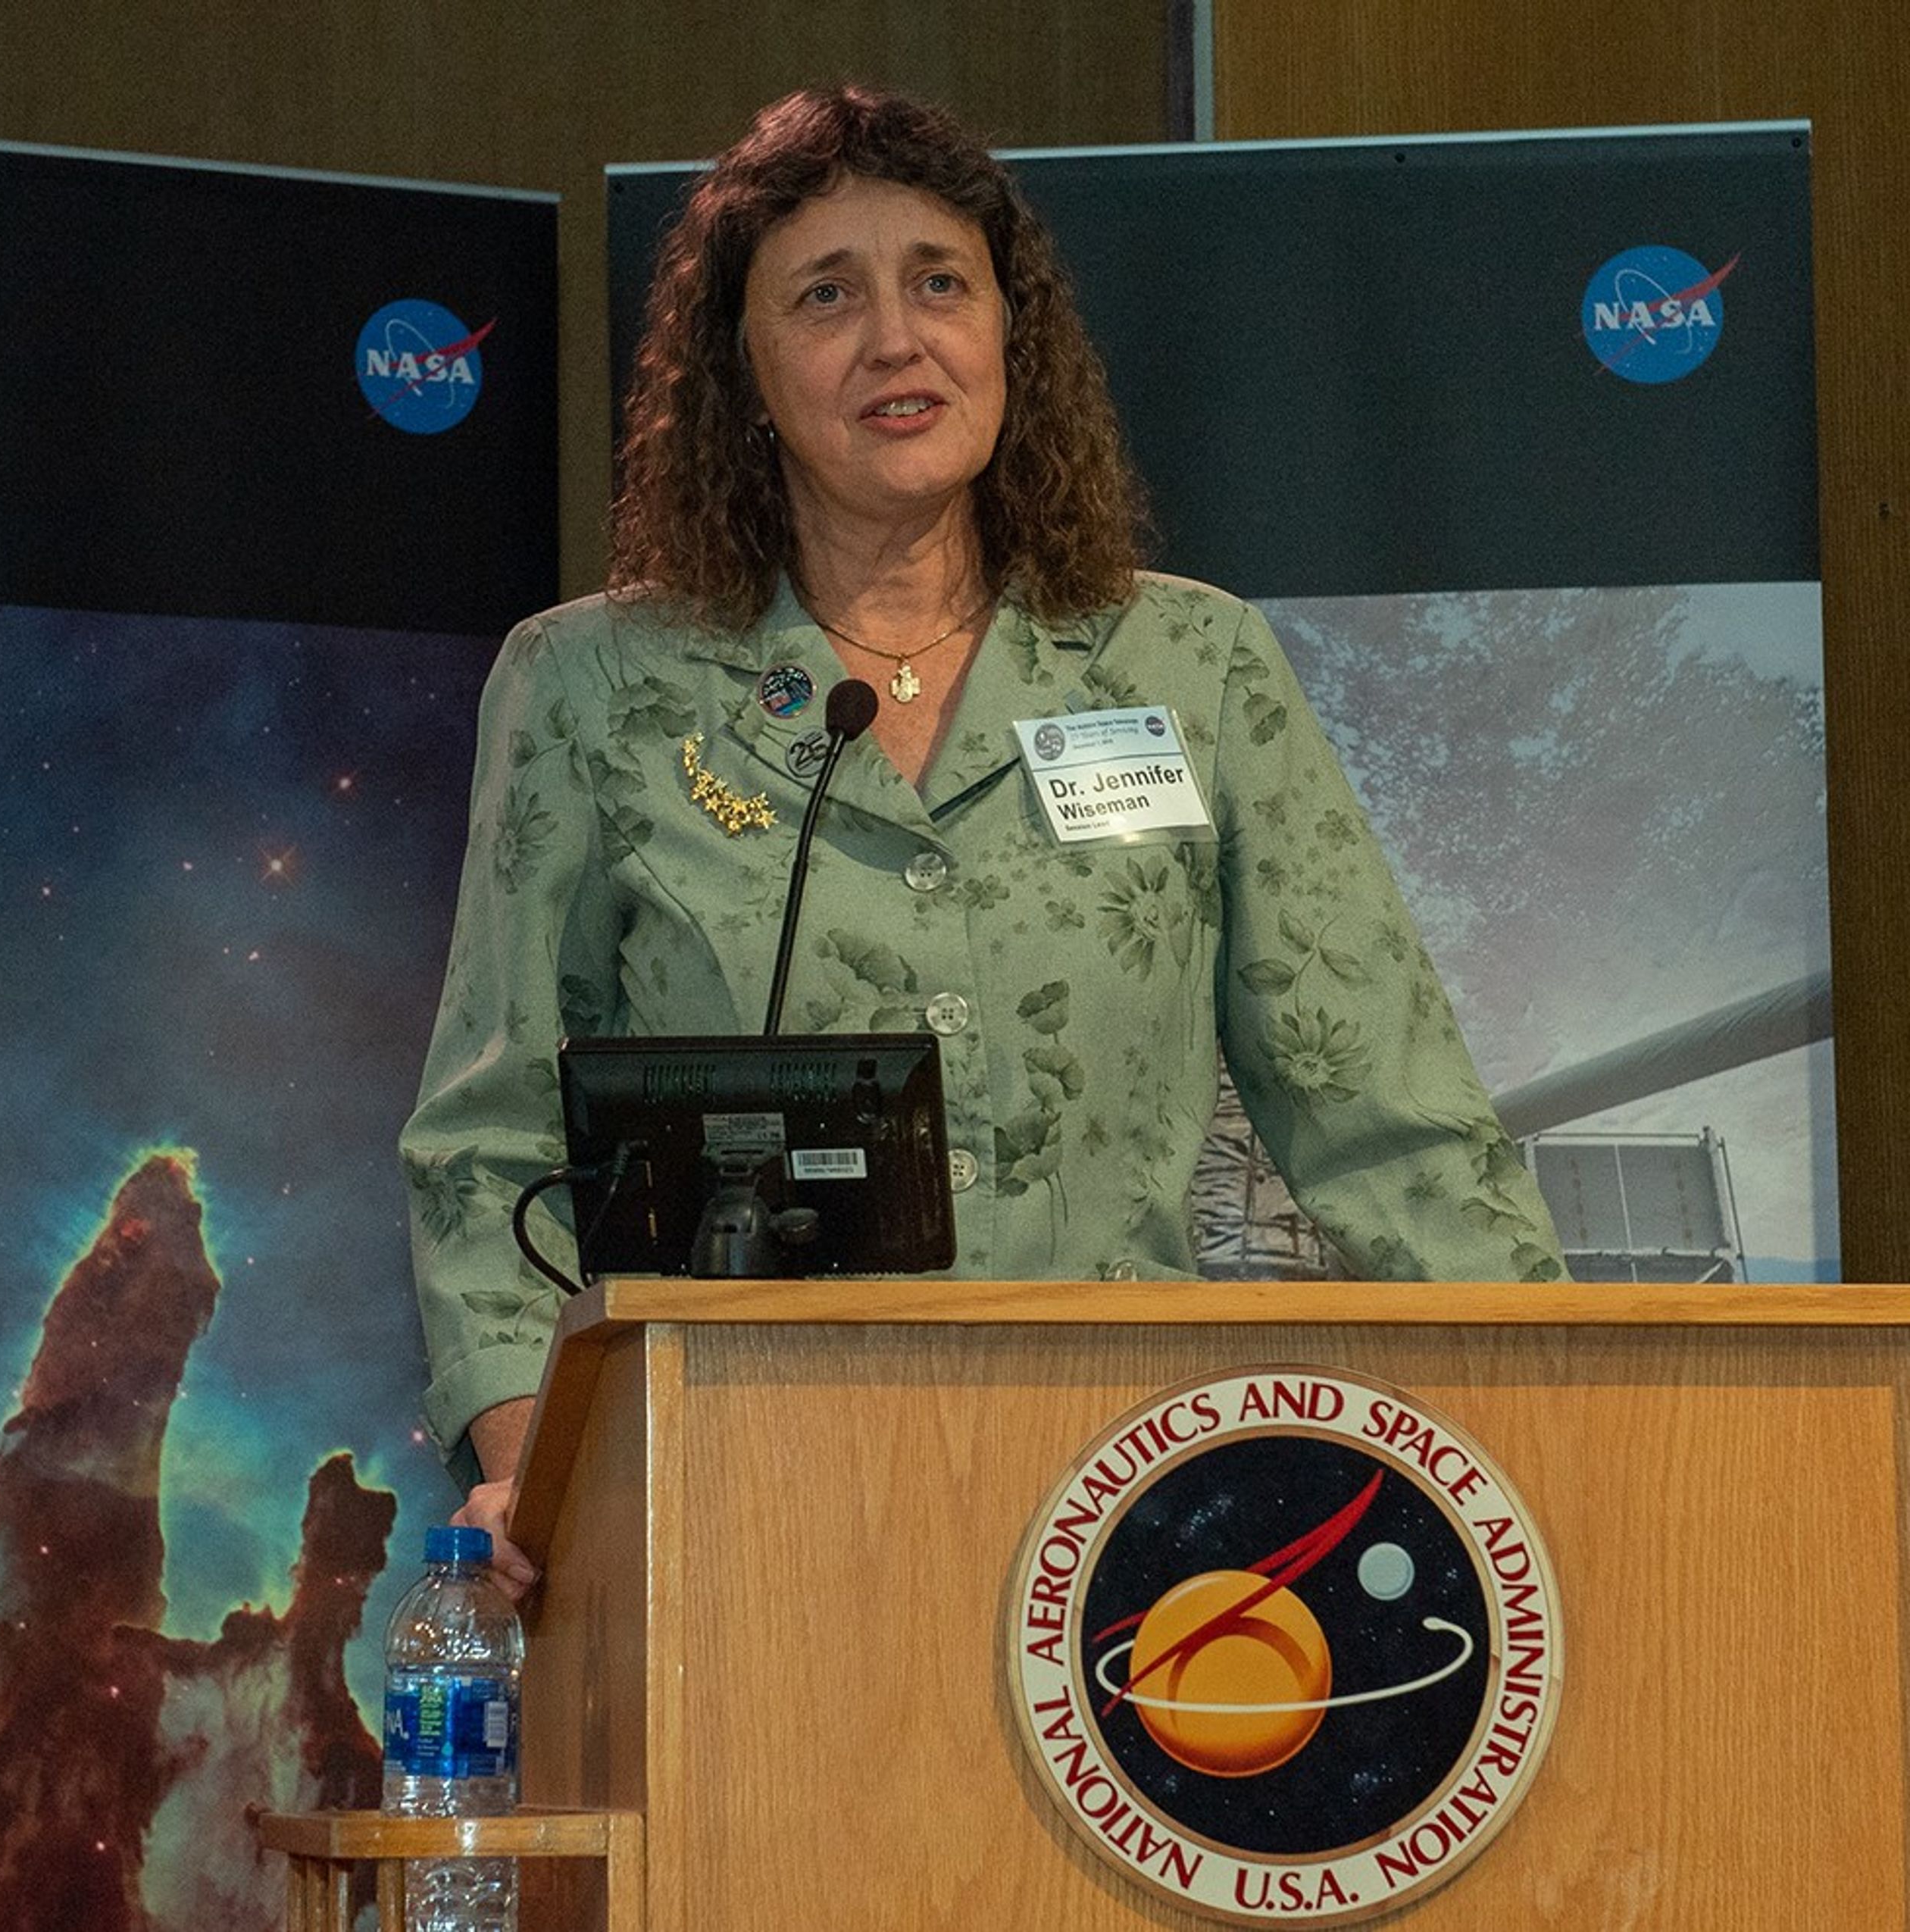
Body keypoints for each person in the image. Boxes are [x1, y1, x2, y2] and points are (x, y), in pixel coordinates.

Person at [401, 85, 1564, 1597]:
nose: (897, 338)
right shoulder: (591, 689)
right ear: (743, 372)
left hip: (1139, 1525)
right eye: (828, 295)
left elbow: (1388, 1117)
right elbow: (488, 1143)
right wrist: (524, 1470)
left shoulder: (1187, 667)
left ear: (1008, 332)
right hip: (737, 1526)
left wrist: (1555, 1425)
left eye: (939, 282)